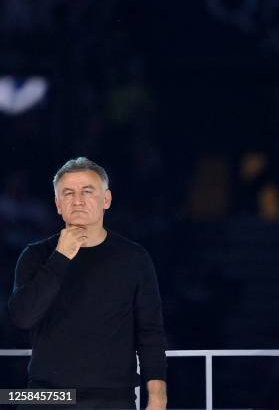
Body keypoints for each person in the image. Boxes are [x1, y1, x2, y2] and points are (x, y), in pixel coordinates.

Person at [8, 157, 167, 409]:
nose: (78, 200)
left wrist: (158, 398)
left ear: (106, 200)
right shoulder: (35, 255)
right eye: (68, 193)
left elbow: (150, 332)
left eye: (87, 192)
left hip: (112, 397)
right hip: (46, 394)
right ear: (58, 205)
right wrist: (60, 258)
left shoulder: (134, 258)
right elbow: (22, 317)